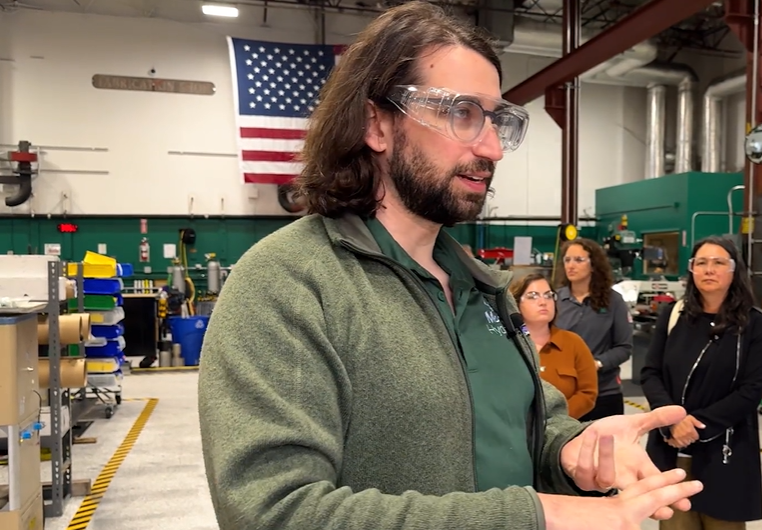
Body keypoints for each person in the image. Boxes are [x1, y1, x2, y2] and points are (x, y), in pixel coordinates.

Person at [196, 3, 704, 530]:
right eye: (462, 113)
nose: (491, 148)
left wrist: (573, 450)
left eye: (496, 120)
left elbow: (525, 423)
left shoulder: (480, 285)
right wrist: (537, 516)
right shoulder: (291, 283)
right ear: (377, 124)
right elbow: (274, 512)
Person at [640, 237, 762, 530]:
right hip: (672, 448)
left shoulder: (754, 324)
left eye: (718, 263)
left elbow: (751, 390)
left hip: (726, 452)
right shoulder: (674, 315)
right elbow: (651, 373)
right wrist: (671, 421)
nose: (709, 270)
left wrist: (695, 426)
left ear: (733, 271)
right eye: (701, 263)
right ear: (691, 270)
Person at [554, 238, 634, 421]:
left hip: (604, 392)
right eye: (567, 260)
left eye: (578, 260)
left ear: (593, 265)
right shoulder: (554, 300)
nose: (571, 266)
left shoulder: (613, 301)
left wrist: (597, 363)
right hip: (564, 393)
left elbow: (624, 347)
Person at [510, 273, 599, 419]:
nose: (543, 302)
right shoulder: (505, 344)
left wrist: (557, 419)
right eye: (533, 296)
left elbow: (587, 393)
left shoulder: (573, 343)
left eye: (548, 295)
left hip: (564, 431)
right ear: (516, 303)